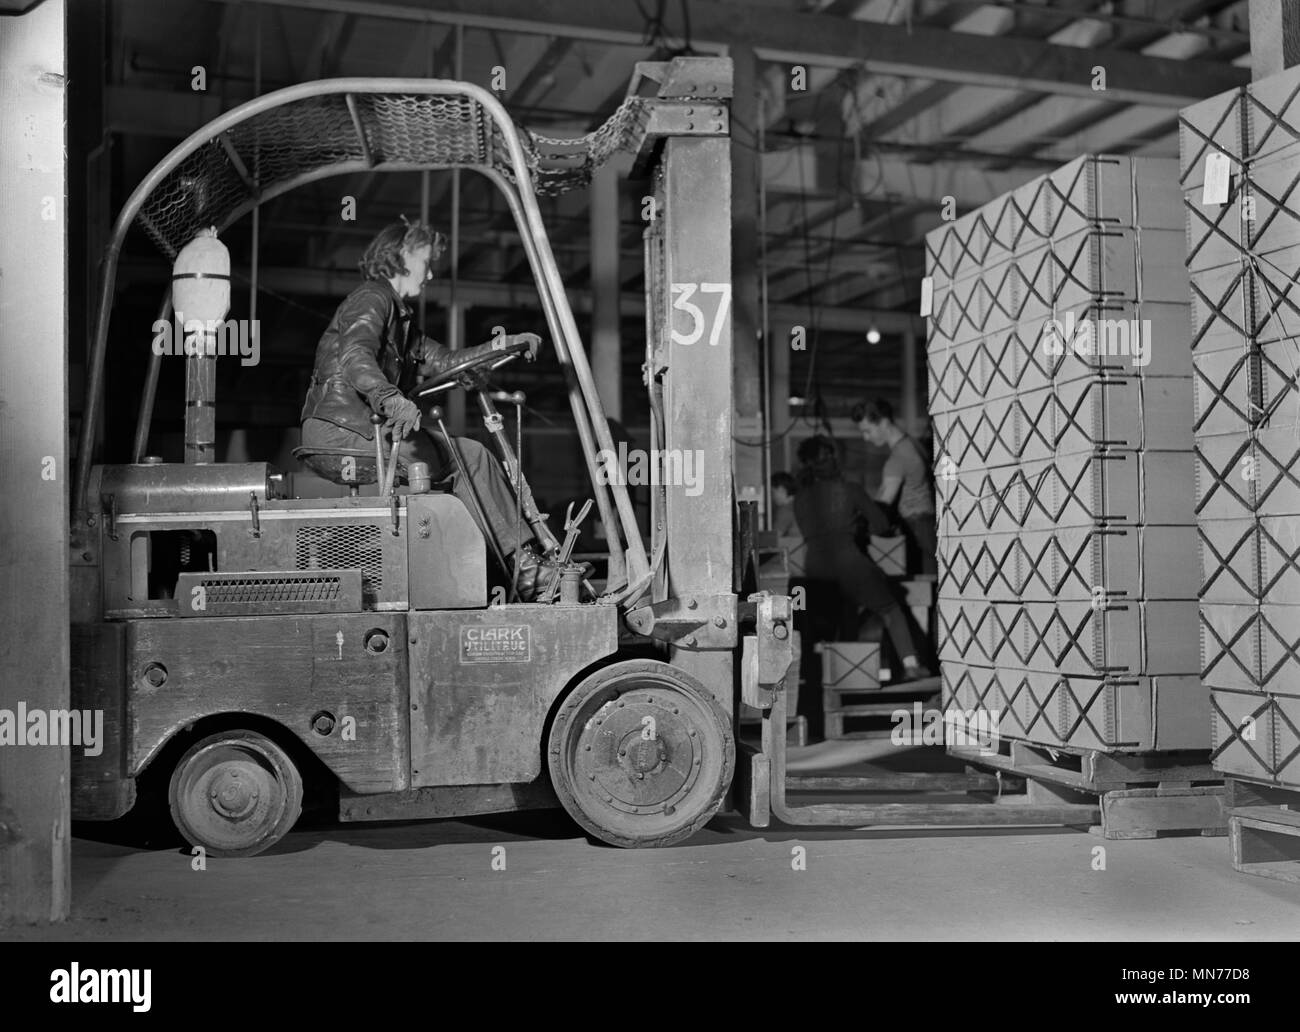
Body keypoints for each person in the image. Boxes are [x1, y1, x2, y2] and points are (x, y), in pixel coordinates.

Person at [300, 217, 554, 598]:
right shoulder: (372, 297)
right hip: (341, 431)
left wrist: (502, 345)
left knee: (473, 454)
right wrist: (390, 398)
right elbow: (355, 354)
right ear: (403, 254)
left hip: (364, 428)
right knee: (463, 459)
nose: (432, 272)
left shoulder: (401, 319)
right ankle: (521, 569)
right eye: (427, 260)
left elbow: (447, 360)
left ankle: (520, 562)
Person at [793, 435, 928, 681]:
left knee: (840, 618)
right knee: (890, 609)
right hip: (850, 565)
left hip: (814, 569)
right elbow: (882, 525)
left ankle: (838, 680)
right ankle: (910, 665)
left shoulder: (800, 499)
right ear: (832, 460)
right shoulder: (850, 489)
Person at [852, 398, 937, 577]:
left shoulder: (898, 458)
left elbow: (882, 505)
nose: (866, 438)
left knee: (923, 590)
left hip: (917, 530)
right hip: (927, 526)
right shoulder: (913, 444)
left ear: (883, 422)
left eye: (868, 431)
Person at [771, 471, 804, 577]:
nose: (772, 497)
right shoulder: (801, 504)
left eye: (773, 492)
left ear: (781, 489)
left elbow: (773, 539)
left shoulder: (785, 510)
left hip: (795, 563)